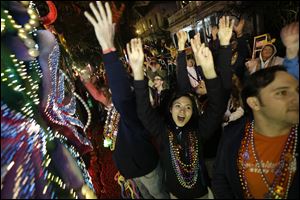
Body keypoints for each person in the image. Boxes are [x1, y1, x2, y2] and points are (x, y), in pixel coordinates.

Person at [128, 17, 232, 197]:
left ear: (194, 112)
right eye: (178, 106)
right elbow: (144, 111)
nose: (182, 110)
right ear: (170, 109)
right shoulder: (162, 132)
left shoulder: (199, 131)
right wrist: (138, 72)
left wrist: (211, 67)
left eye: (188, 107)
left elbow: (217, 106)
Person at [84, 2, 169, 198]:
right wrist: (86, 81)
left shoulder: (132, 111)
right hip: (131, 173)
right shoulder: (113, 108)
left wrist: (108, 50)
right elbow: (101, 96)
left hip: (146, 170)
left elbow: (121, 96)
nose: (109, 93)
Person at [212, 65, 299, 199]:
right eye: (282, 92)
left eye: (297, 90)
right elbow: (220, 178)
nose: (296, 98)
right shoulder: (233, 135)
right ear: (255, 103)